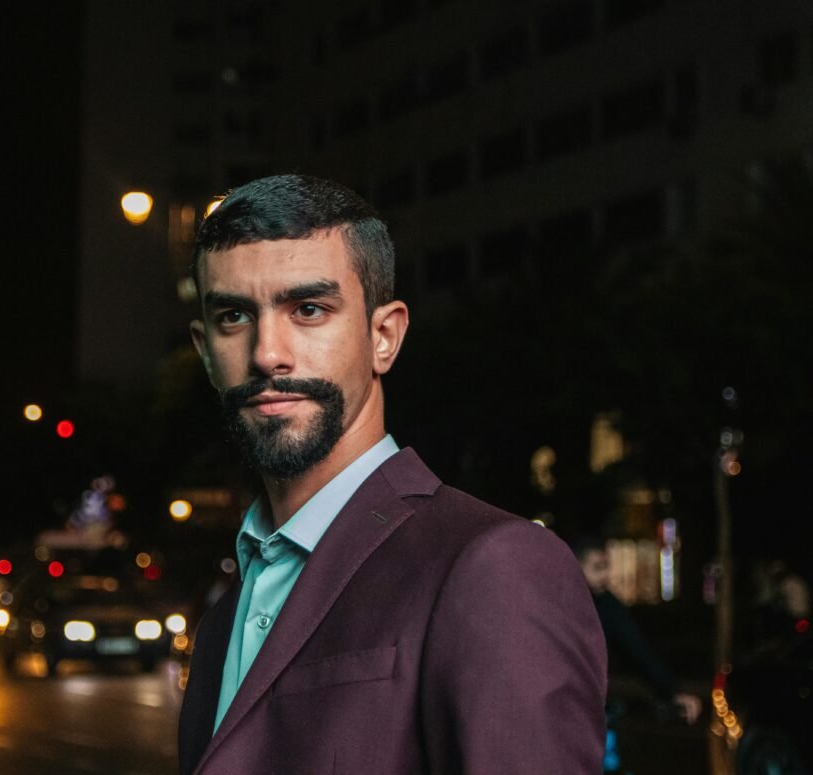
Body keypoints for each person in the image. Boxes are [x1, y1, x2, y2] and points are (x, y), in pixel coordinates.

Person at [178, 174, 607, 774]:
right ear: (204, 349)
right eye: (233, 316)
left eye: (308, 309)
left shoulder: (493, 565)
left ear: (384, 337)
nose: (267, 353)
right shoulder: (225, 619)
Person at [573, 536, 702, 725]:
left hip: (589, 706)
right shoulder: (559, 604)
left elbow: (638, 650)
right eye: (597, 568)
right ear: (576, 567)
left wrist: (672, 691)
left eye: (606, 566)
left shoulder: (608, 606)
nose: (605, 575)